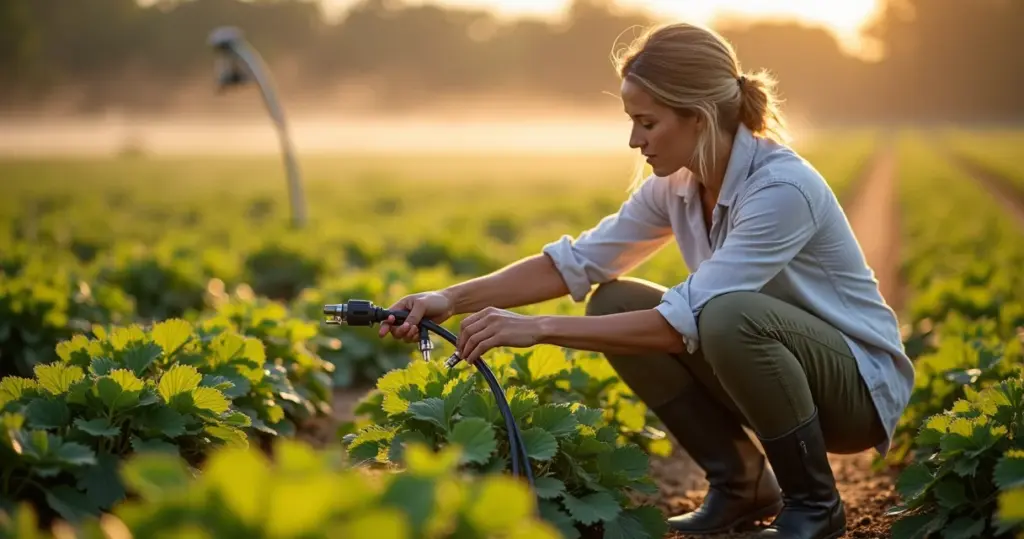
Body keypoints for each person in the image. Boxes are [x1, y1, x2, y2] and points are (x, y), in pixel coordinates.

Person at [376, 21, 915, 539]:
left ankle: (815, 506)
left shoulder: (780, 189)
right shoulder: (678, 183)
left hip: (854, 390)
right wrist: (449, 298)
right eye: (632, 121)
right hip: (773, 366)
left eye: (648, 122)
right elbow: (577, 263)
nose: (635, 139)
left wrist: (536, 328)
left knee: (724, 314)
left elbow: (683, 321)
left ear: (699, 116)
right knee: (612, 302)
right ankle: (742, 484)